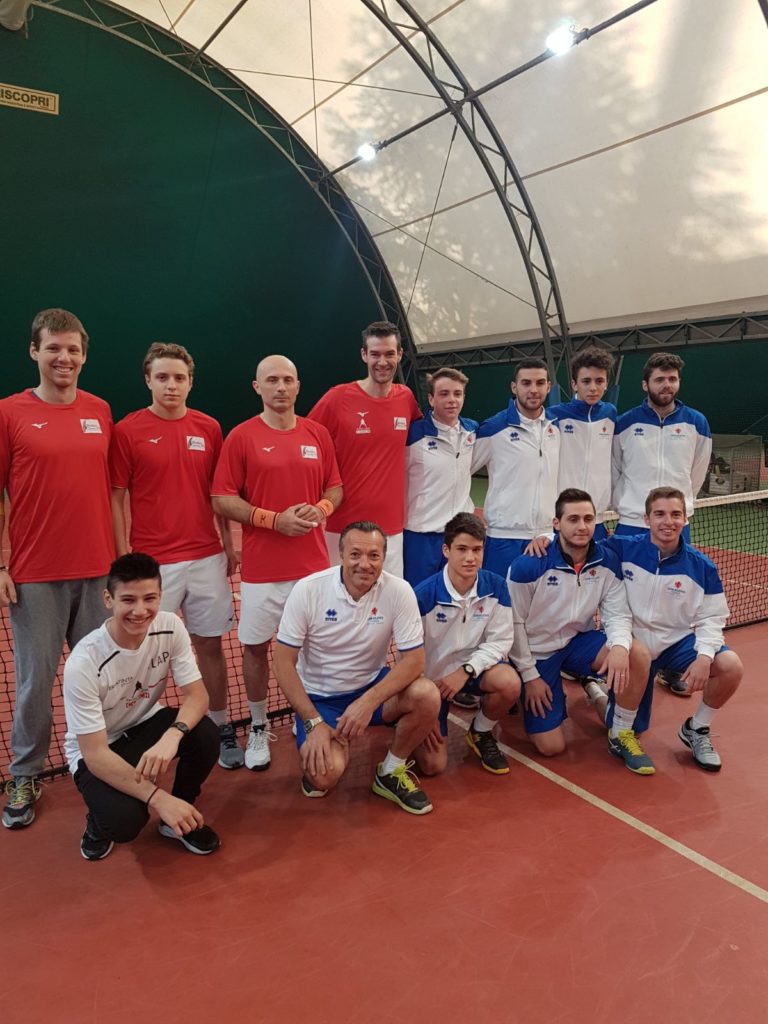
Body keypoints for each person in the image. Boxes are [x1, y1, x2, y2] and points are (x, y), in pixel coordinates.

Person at [1, 308, 115, 830]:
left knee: (102, 678)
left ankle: (107, 762)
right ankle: (25, 773)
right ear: (34, 351)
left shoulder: (100, 410)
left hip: (98, 572)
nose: (63, 358)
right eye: (53, 348)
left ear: (84, 356)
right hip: (35, 576)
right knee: (34, 683)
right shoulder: (9, 413)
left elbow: (112, 491)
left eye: (72, 349)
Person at [110, 343, 241, 770]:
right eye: (162, 377)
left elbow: (219, 494)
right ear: (148, 380)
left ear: (190, 382)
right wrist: (122, 557)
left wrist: (227, 544)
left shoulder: (209, 428)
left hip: (206, 558)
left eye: (179, 378)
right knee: (143, 652)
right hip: (154, 566)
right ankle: (137, 732)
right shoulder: (127, 431)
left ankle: (220, 726)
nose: (171, 385)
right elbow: (116, 497)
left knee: (210, 646)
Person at [211, 355, 342, 771]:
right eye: (272, 380)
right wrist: (273, 520)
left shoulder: (317, 433)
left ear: (298, 386)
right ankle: (258, 725)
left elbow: (335, 488)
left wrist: (321, 509)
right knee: (255, 649)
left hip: (313, 570)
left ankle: (313, 719)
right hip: (262, 573)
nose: (280, 387)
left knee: (315, 648)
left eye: (287, 380)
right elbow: (222, 498)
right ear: (257, 387)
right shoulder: (241, 437)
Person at [272, 521, 440, 815]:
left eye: (374, 556)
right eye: (355, 554)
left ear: (384, 557)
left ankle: (390, 771)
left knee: (427, 695)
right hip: (320, 700)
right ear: (341, 555)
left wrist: (368, 701)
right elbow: (282, 663)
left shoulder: (399, 590)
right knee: (324, 776)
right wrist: (313, 722)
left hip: (371, 689)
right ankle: (329, 738)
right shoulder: (308, 590)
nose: (365, 564)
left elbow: (414, 660)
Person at [63, 553, 220, 860]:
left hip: (146, 724)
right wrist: (158, 798)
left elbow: (198, 696)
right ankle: (98, 822)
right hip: (100, 748)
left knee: (205, 734)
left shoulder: (170, 626)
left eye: (149, 598)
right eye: (128, 600)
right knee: (123, 823)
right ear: (108, 599)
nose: (140, 610)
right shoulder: (84, 662)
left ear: (161, 595)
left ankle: (180, 816)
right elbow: (95, 754)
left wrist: (172, 736)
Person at [508, 489, 655, 774]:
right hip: (537, 652)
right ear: (556, 523)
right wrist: (530, 676)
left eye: (588, 519)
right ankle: (532, 691)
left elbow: (617, 613)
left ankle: (619, 732)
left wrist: (620, 647)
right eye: (573, 519)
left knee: (636, 653)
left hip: (578, 641)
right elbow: (513, 624)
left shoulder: (607, 561)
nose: (582, 526)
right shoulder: (528, 565)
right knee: (551, 747)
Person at [605, 487, 743, 771]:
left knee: (730, 666)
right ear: (646, 519)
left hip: (675, 644)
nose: (668, 522)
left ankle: (697, 728)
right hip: (633, 645)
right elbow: (579, 545)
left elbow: (713, 617)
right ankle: (617, 728)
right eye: (660, 514)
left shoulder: (702, 567)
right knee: (628, 725)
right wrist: (545, 539)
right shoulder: (622, 547)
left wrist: (704, 657)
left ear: (685, 518)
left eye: (676, 514)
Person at [307, 321, 421, 576]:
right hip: (342, 527)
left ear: (400, 355)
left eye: (389, 354)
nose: (382, 362)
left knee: (387, 597)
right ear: (364, 355)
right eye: (375, 354)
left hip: (391, 530)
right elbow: (305, 442)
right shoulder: (338, 398)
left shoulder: (406, 398)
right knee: (340, 596)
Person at [414, 513, 520, 775]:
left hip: (472, 673)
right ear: (446, 551)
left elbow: (501, 641)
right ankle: (411, 720)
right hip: (432, 684)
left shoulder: (496, 587)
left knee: (509, 682)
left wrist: (467, 670)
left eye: (477, 549)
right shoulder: (423, 595)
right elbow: (408, 656)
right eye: (462, 549)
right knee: (433, 765)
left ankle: (480, 731)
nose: (470, 558)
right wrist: (423, 701)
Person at [471, 358, 560, 577]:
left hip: (546, 538)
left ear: (549, 387)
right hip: (503, 539)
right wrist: (466, 510)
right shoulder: (493, 428)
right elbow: (460, 470)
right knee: (500, 598)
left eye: (540, 383)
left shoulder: (556, 427)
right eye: (526, 383)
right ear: (514, 387)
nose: (533, 390)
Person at [612, 352, 712, 537]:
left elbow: (698, 472)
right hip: (632, 522)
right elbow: (614, 470)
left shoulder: (697, 423)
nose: (667, 385)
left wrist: (679, 506)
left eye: (672, 379)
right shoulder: (624, 423)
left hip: (675, 524)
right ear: (645, 385)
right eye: (659, 380)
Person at [403, 368, 478, 587]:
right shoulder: (412, 435)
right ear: (431, 399)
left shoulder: (472, 431)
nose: (452, 400)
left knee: (456, 594)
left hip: (458, 534)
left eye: (457, 393)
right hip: (421, 536)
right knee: (418, 596)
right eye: (444, 394)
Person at [549, 347, 616, 540]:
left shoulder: (610, 414)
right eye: (586, 381)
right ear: (574, 384)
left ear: (606, 384)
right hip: (562, 517)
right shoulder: (554, 415)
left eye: (599, 381)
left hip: (597, 519)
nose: (593, 387)